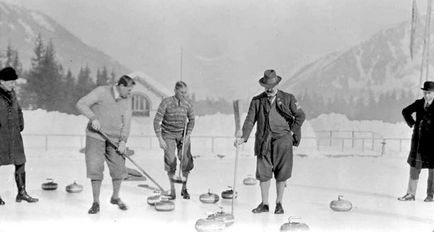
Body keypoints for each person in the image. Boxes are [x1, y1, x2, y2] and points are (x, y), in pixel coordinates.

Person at [234, 69, 305, 214]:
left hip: (283, 142)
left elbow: (300, 116)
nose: (270, 88)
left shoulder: (288, 98)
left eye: (272, 85)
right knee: (263, 173)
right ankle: (264, 204)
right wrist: (243, 137)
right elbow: (249, 120)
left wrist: (291, 132)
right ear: (264, 86)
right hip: (263, 141)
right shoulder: (257, 101)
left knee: (282, 173)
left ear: (277, 84)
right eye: (267, 86)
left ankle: (279, 203)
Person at [76, 75, 135, 214]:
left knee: (119, 168)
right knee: (95, 168)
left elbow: (127, 122)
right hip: (96, 135)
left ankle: (115, 197)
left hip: (114, 138)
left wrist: (123, 141)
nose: (130, 92)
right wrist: (93, 118)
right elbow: (81, 104)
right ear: (120, 86)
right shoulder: (101, 91)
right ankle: (96, 202)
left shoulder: (127, 100)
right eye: (128, 89)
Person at [0, 67, 39, 205]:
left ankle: (21, 193)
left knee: (20, 161)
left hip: (14, 135)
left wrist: (20, 124)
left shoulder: (12, 93)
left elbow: (18, 109)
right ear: (2, 82)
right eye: (11, 82)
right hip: (1, 136)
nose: (13, 85)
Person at [154, 81, 195, 200]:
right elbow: (156, 121)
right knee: (171, 161)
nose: (184, 95)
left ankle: (184, 189)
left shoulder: (188, 104)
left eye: (185, 93)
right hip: (168, 135)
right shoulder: (166, 102)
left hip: (182, 134)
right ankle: (172, 191)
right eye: (182, 92)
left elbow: (192, 120)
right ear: (175, 90)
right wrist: (160, 139)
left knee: (186, 161)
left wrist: (187, 135)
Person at [398, 81, 434, 202]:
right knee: (414, 167)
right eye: (425, 92)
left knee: (433, 170)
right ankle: (410, 194)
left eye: (429, 93)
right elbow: (405, 111)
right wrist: (412, 123)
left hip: (432, 144)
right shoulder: (419, 103)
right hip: (418, 142)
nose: (426, 95)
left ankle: (431, 195)